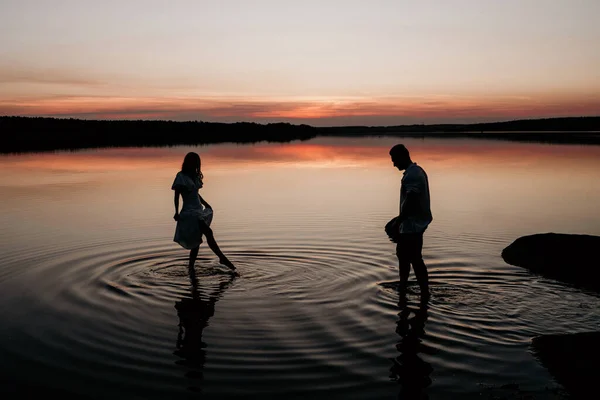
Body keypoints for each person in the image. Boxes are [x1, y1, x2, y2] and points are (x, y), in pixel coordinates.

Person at [172, 152, 236, 272]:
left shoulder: (194, 175)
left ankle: (191, 268)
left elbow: (196, 193)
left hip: (198, 209)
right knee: (208, 232)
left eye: (197, 163)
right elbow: (176, 196)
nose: (197, 165)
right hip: (190, 212)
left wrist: (205, 204)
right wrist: (176, 212)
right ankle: (222, 258)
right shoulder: (181, 176)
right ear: (189, 162)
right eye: (195, 162)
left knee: (197, 242)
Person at [386, 144, 432, 301]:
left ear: (402, 156)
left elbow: (411, 199)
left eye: (394, 160)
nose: (393, 164)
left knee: (413, 259)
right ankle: (405, 288)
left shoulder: (412, 175)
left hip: (412, 225)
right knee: (405, 256)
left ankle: (421, 292)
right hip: (413, 223)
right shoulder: (416, 171)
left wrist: (399, 220)